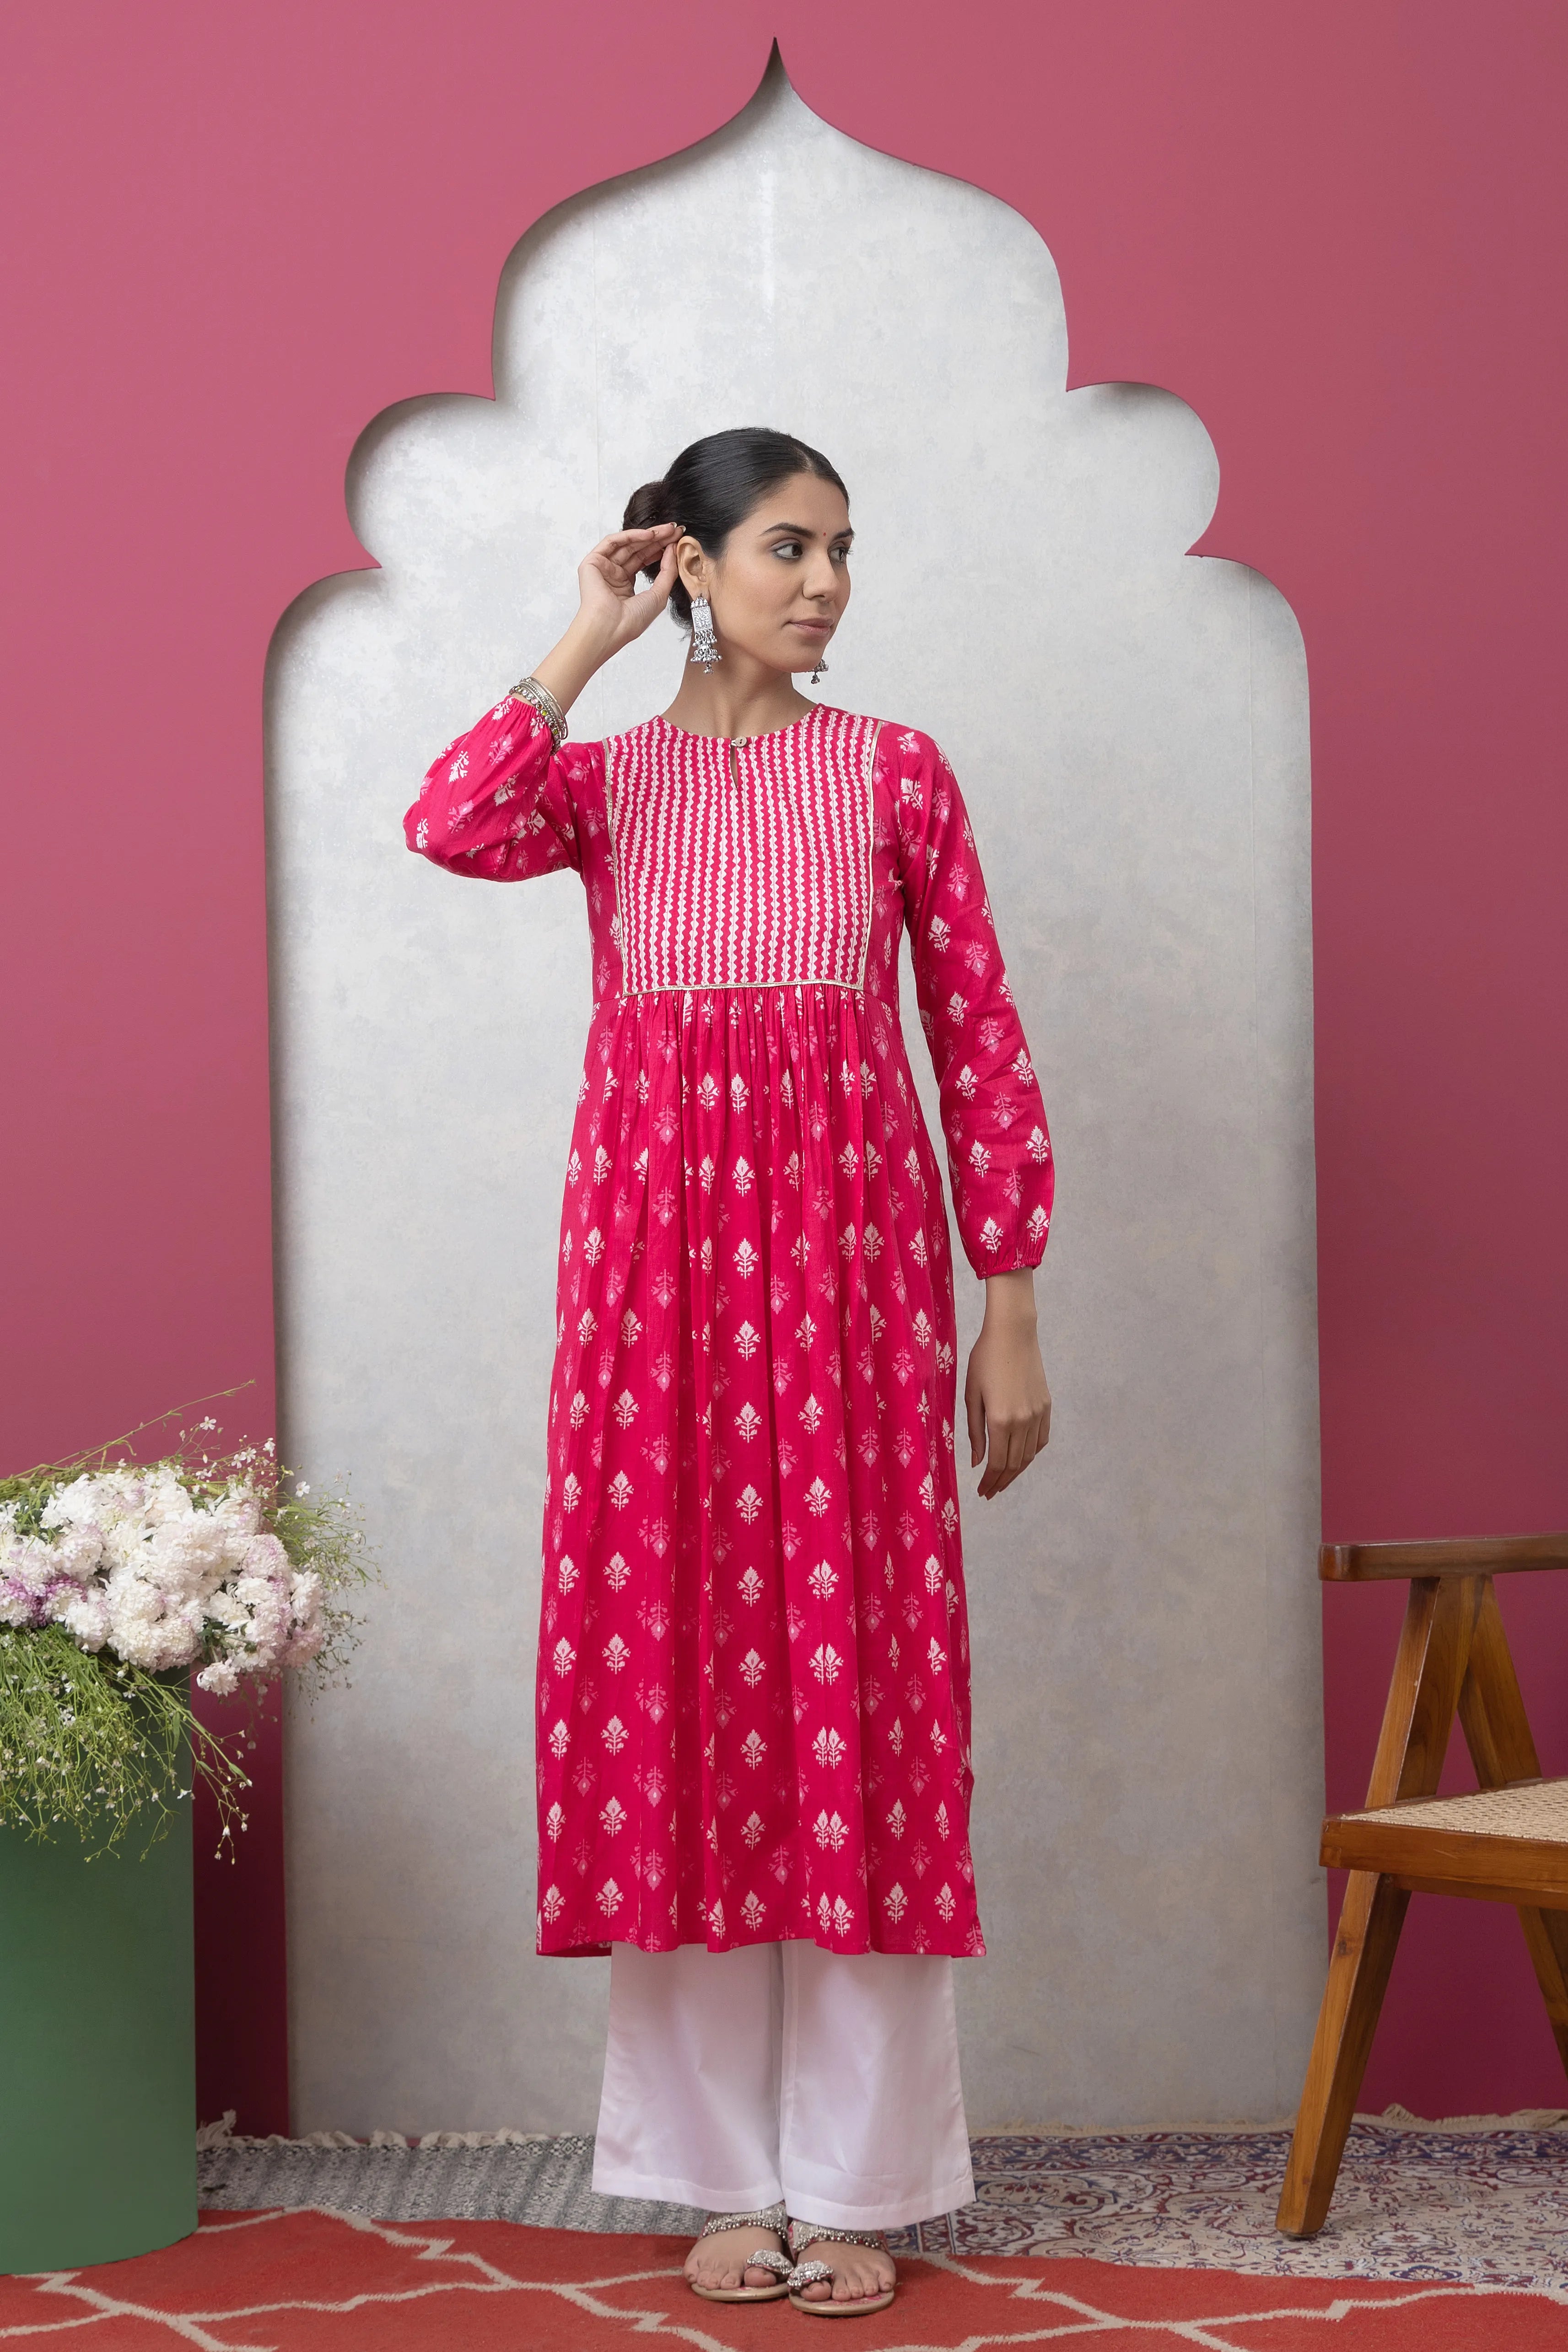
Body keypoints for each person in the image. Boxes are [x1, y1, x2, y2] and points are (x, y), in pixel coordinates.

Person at [405, 428, 1053, 2314]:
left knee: (860, 1688)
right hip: (653, 1293)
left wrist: (1008, 1303)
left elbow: (977, 1037)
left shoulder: (896, 772)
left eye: (842, 549)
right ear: (687, 560)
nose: (827, 583)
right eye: (785, 547)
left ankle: (857, 2181)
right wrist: (580, 639)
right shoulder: (602, 786)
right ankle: (709, 2173)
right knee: (670, 1687)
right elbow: (448, 819)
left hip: (850, 1288)